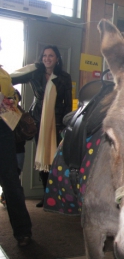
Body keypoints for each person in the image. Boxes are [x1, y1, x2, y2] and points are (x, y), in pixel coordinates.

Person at [11, 45, 72, 207]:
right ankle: (47, 195)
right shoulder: (35, 73)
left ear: (57, 58)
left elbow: (68, 105)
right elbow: (13, 79)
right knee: (42, 156)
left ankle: (57, 195)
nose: (47, 58)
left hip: (57, 123)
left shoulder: (64, 77)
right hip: (38, 121)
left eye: (51, 55)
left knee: (55, 160)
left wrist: (64, 125)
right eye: (44, 55)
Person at [0, 37, 32, 246]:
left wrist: (12, 99)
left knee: (11, 182)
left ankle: (23, 232)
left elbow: (13, 95)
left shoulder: (2, 74)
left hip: (3, 129)